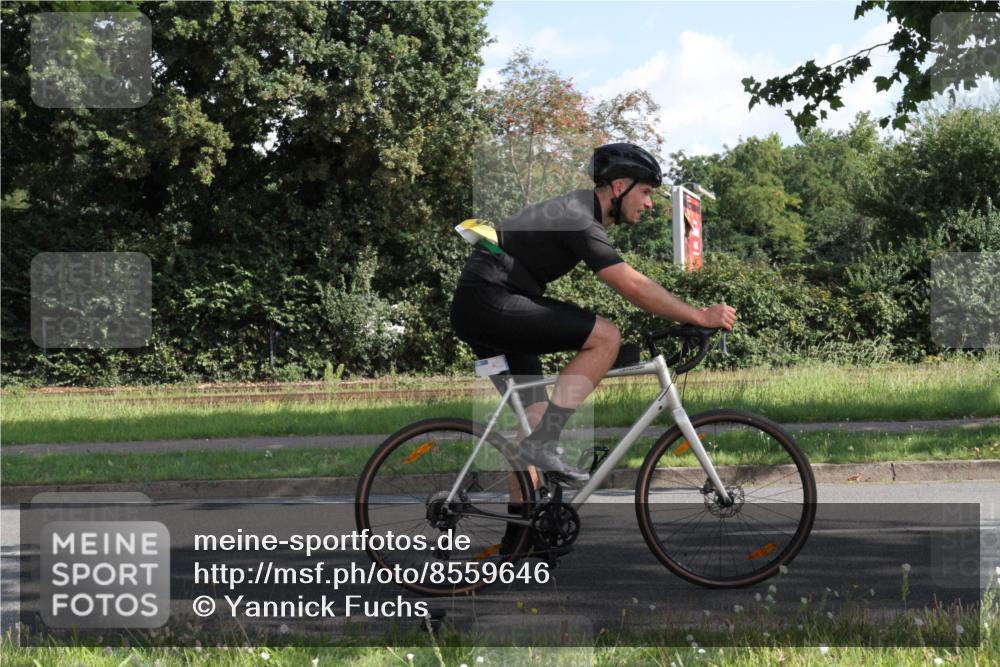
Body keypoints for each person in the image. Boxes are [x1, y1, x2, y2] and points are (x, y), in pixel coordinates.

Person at [450, 143, 737, 482]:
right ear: (619, 187)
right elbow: (632, 285)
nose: (648, 203)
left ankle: (522, 531)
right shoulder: (578, 216)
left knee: (534, 421)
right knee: (606, 337)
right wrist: (699, 316)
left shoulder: (578, 212)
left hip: (488, 304)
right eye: (645, 192)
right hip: (490, 299)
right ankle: (545, 443)